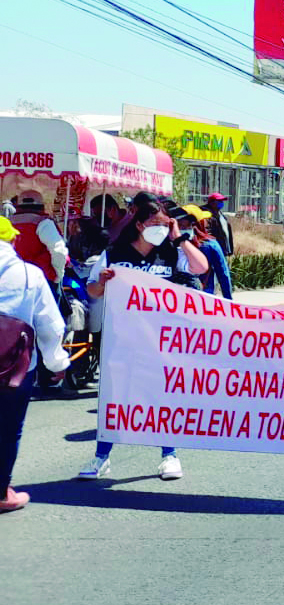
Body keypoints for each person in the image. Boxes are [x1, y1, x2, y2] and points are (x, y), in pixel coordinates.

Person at [78, 197, 210, 481]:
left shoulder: (171, 254)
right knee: (115, 400)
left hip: (163, 342)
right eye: (154, 224)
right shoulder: (115, 253)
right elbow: (92, 290)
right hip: (122, 341)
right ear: (139, 225)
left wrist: (179, 237)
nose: (160, 229)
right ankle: (101, 457)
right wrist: (101, 281)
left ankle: (169, 455)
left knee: (163, 399)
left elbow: (201, 268)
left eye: (165, 224)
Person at [0, 216, 71, 512]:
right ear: (13, 241)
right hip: (14, 369)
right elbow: (50, 327)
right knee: (8, 429)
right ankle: (2, 493)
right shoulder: (30, 275)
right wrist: (56, 362)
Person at [8, 190, 69, 287]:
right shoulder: (43, 222)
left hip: (11, 277)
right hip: (40, 278)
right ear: (42, 206)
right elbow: (59, 250)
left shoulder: (8, 223)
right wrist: (58, 275)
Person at [181, 204, 231, 299]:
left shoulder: (174, 241)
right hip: (205, 296)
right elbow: (223, 274)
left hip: (177, 295)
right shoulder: (210, 244)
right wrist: (229, 301)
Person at [204, 192, 234, 256]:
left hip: (223, 250)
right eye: (219, 201)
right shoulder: (206, 216)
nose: (221, 203)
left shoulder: (221, 215)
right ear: (211, 203)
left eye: (222, 201)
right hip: (214, 250)